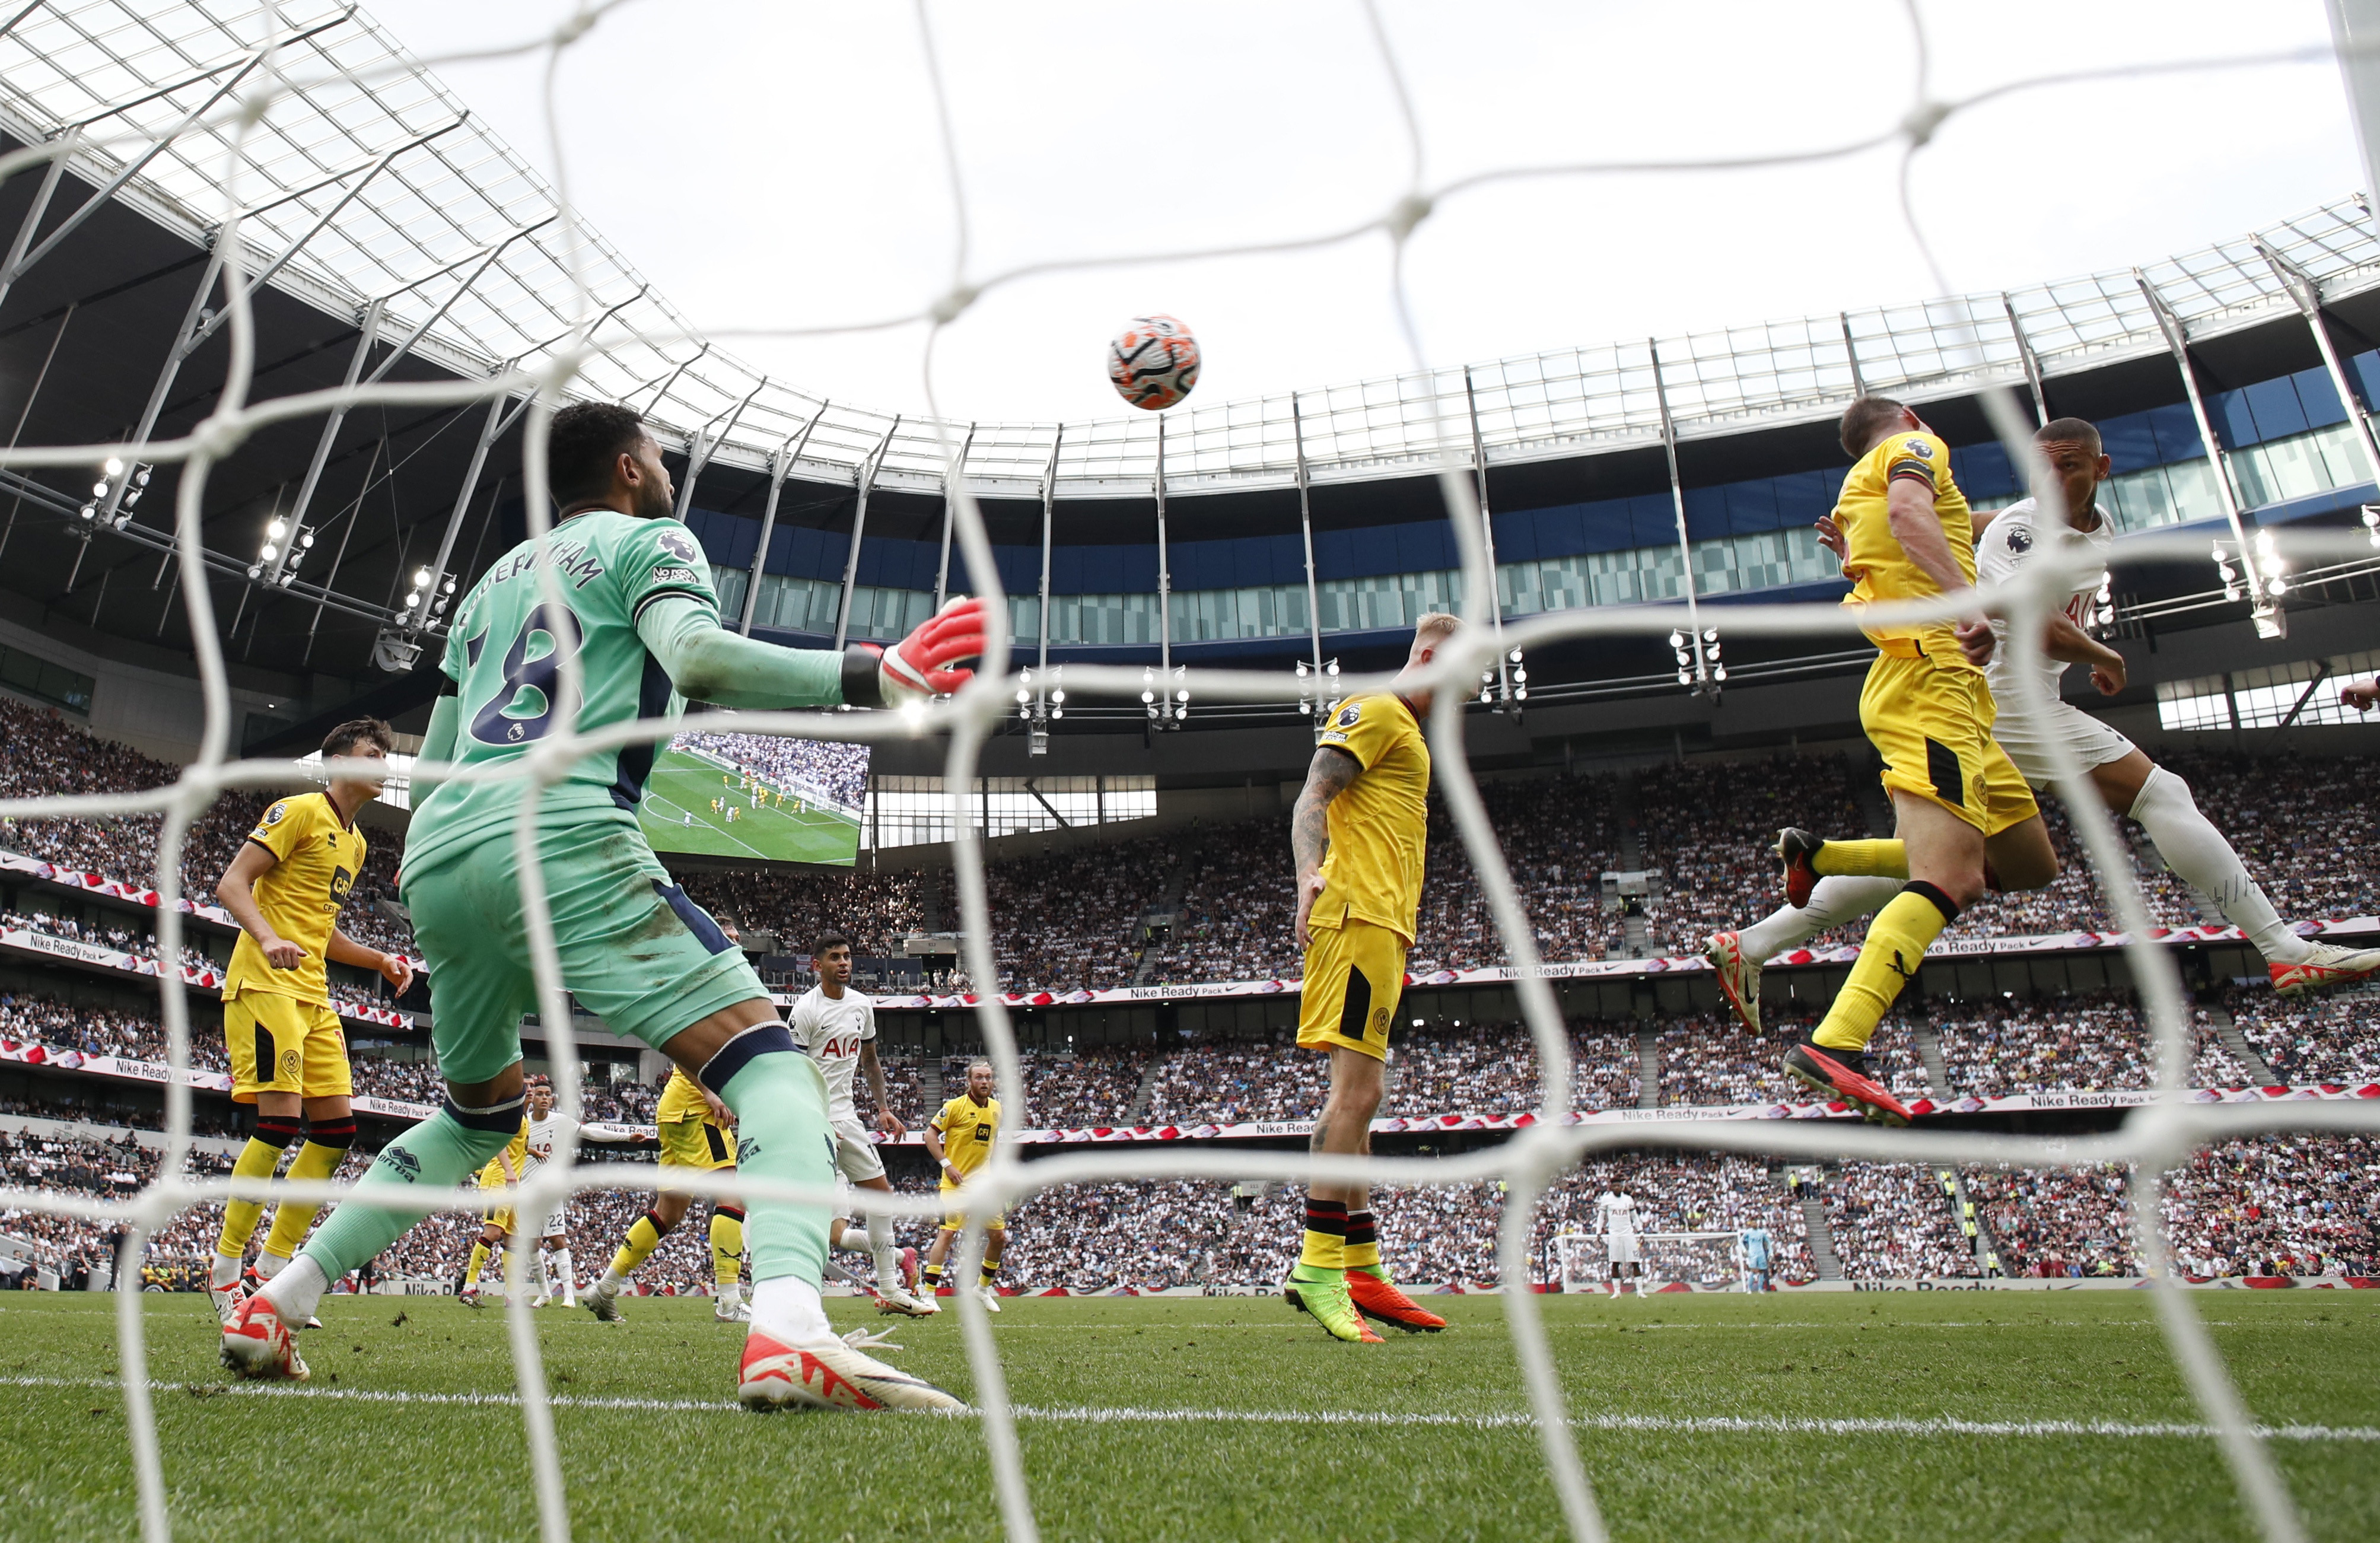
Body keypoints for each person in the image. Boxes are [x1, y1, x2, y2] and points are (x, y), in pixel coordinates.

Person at [222, 401, 984, 1413]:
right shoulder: (650, 539)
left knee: (475, 1112)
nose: (667, 473)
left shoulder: (490, 586)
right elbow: (700, 658)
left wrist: (437, 875)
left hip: (444, 855)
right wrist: (866, 673)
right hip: (564, 829)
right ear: (629, 469)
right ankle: (790, 1323)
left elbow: (440, 761)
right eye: (660, 460)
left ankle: (280, 1297)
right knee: (774, 1075)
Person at [1707, 416, 2380, 1018]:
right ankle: (2282, 947)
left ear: (2100, 469)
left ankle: (1759, 936)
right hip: (2005, 701)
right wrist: (2099, 652)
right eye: (2043, 468)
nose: (2054, 480)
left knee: (1948, 861)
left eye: (2069, 467)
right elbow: (2022, 616)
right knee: (2159, 792)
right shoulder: (2028, 533)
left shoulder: (2066, 526)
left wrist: (1873, 539)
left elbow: (1967, 528)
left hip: (2002, 704)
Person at [1732, 398, 2058, 1126]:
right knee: (1949, 878)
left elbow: (1899, 538)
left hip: (1957, 697)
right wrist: (1968, 603)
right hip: (1931, 681)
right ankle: (1836, 1043)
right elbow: (1913, 518)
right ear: (1909, 417)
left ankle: (1822, 859)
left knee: (2030, 864)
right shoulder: (1918, 450)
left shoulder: (1857, 489)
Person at [1284, 616, 1461, 1342]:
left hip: (1382, 924)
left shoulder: (1409, 731)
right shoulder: (1382, 709)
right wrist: (1305, 878)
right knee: (1355, 1095)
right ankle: (1319, 1266)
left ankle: (1361, 1268)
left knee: (1363, 1096)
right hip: (1356, 916)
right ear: (1425, 656)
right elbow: (1312, 796)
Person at [208, 718, 415, 1322]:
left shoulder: (355, 843)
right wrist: (269, 938)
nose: (383, 763)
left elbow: (321, 932)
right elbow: (232, 884)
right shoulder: (296, 810)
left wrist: (377, 957)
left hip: (313, 993)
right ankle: (223, 1274)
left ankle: (271, 1272)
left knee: (336, 1133)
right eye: (373, 753)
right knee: (277, 1125)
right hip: (266, 982)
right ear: (338, 760)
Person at [789, 933, 929, 1316]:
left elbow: (870, 1060)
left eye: (848, 956)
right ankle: (795, 1298)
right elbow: (793, 1071)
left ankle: (889, 1288)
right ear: (818, 965)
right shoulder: (805, 1011)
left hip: (846, 1117)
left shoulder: (861, 1006)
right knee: (815, 1220)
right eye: (835, 957)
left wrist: (883, 1107)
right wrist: (809, 1117)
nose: (844, 962)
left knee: (880, 1194)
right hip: (812, 1120)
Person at [461, 1077, 645, 1308]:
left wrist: (626, 1137)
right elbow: (497, 1141)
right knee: (499, 1235)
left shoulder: (541, 1121)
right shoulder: (515, 1116)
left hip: (535, 1190)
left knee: (517, 1241)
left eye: (542, 1093)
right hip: (508, 1185)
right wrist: (509, 1169)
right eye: (532, 1091)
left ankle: (520, 1295)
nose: (539, 1096)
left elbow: (587, 1133)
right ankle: (470, 1286)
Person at [920, 1060, 1004, 1311]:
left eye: (988, 1077)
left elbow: (993, 1142)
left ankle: (982, 1289)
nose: (985, 1082)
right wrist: (947, 1164)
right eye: (979, 1077)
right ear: (970, 1081)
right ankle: (928, 1295)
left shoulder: (997, 1109)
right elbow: (929, 1135)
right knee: (947, 1234)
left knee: (999, 1237)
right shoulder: (954, 1107)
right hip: (955, 1185)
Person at [1595, 1189, 1643, 1299]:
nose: (1616, 1187)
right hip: (1615, 1235)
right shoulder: (1607, 1199)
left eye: (1619, 1185)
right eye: (1614, 1185)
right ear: (1611, 1186)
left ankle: (1640, 1291)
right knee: (1615, 1263)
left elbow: (1634, 1216)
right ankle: (1617, 1292)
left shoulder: (1628, 1199)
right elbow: (1601, 1216)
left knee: (1635, 1262)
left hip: (1628, 1234)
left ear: (1621, 1187)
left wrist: (1640, 1231)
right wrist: (1598, 1231)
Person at [1738, 1226, 1774, 1294]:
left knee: (1761, 1272)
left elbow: (1768, 1242)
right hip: (1752, 1254)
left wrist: (1771, 1252)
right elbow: (1741, 1241)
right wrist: (1744, 1250)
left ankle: (1760, 1289)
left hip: (1761, 1254)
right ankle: (1749, 1289)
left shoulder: (1761, 1232)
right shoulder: (1748, 1232)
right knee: (1752, 1271)